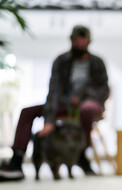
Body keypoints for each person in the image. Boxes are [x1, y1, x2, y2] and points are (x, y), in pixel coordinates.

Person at [0, 25, 109, 181]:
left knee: (87, 109)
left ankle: (81, 155)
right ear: (71, 41)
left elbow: (103, 89)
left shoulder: (97, 63)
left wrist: (81, 96)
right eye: (77, 43)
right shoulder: (61, 61)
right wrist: (49, 120)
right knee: (27, 112)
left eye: (83, 44)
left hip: (89, 104)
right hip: (63, 103)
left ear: (89, 43)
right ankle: (16, 161)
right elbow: (54, 90)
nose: (80, 46)